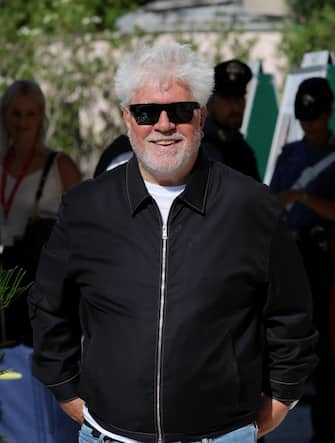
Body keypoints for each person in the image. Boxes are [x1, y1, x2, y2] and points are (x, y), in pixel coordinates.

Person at [29, 41, 317, 443]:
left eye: (180, 111)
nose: (164, 124)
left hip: (224, 436)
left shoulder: (251, 206)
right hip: (111, 437)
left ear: (199, 117)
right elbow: (48, 307)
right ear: (127, 118)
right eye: (147, 112)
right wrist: (67, 391)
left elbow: (291, 316)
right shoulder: (85, 208)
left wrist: (282, 398)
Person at [0, 79, 81, 442]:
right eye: (15, 114)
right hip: (4, 283)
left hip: (42, 288)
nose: (22, 122)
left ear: (42, 117)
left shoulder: (60, 165)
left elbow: (86, 232)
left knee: (38, 368)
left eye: (30, 114)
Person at [270, 76, 335, 443]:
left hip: (325, 257)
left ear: (328, 115)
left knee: (326, 346)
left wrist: (305, 199)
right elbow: (273, 201)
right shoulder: (290, 154)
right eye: (304, 118)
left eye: (315, 117)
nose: (310, 125)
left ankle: (324, 428)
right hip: (291, 255)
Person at [203, 59, 261, 181]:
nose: (235, 107)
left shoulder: (242, 149)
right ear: (210, 102)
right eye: (227, 99)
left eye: (239, 99)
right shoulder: (199, 147)